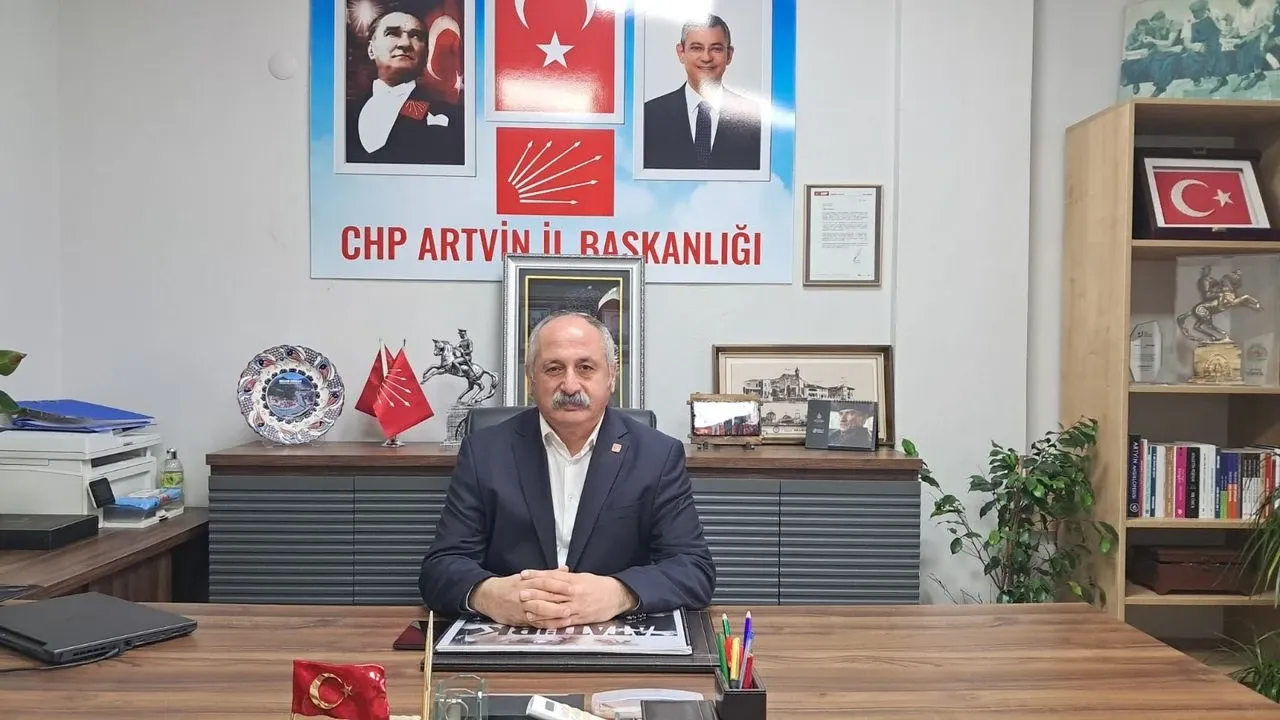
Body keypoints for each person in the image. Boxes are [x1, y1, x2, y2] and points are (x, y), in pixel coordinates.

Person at [419, 311, 716, 627]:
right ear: (531, 379)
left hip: (614, 635)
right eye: (554, 368)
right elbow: (441, 568)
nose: (570, 385)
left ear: (611, 376)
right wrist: (489, 595)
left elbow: (693, 569)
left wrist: (619, 593)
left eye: (586, 368)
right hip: (510, 632)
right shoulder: (485, 452)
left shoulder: (657, 455)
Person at [642, 14, 762, 171]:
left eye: (716, 49)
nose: (706, 57)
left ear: (729, 55)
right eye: (697, 48)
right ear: (681, 52)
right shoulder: (648, 115)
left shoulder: (754, 118)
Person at [345, 10, 465, 166]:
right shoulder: (343, 113)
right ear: (371, 50)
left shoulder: (455, 117)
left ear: (426, 54)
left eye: (416, 36)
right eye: (392, 33)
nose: (405, 44)